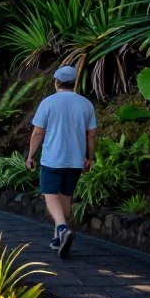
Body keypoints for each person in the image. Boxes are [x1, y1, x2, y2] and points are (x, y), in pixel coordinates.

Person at [25, 65, 97, 258]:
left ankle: (63, 229)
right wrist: (89, 157)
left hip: (52, 159)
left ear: (56, 82)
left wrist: (30, 155)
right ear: (75, 82)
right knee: (66, 197)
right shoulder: (86, 104)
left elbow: (38, 132)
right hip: (75, 160)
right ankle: (57, 237)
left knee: (50, 195)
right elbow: (91, 134)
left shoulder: (48, 103)